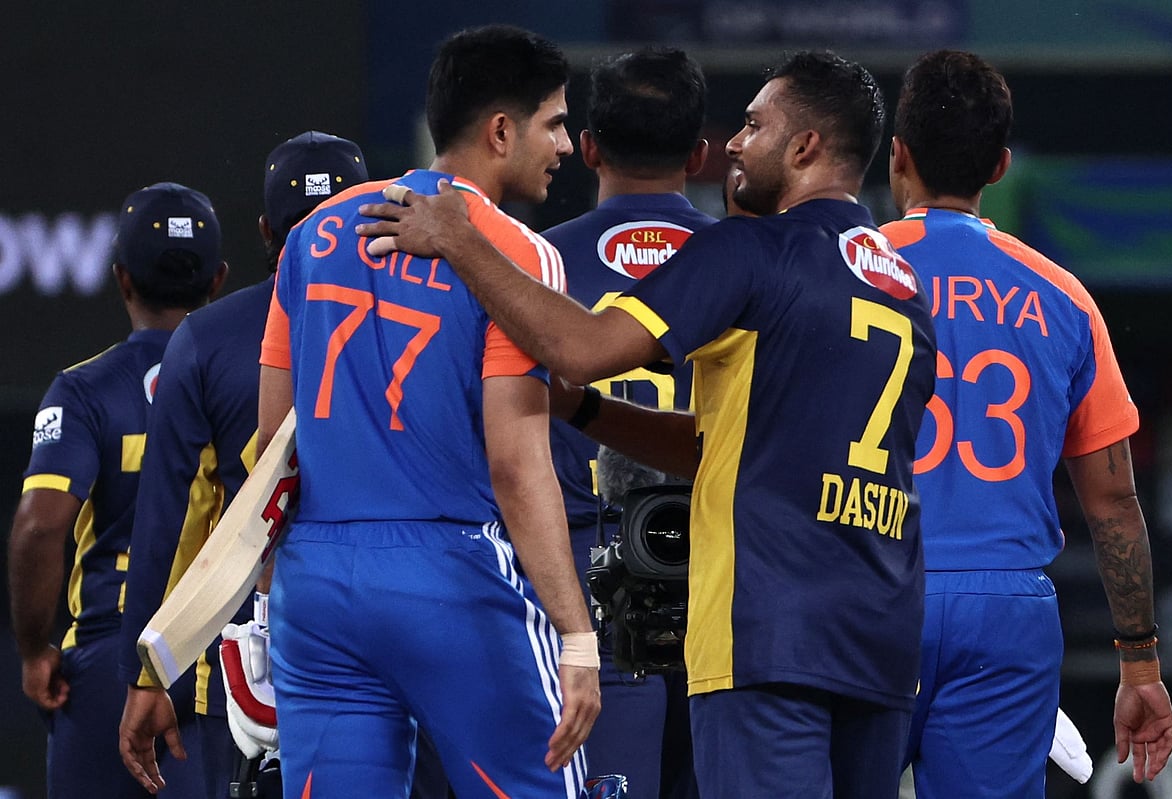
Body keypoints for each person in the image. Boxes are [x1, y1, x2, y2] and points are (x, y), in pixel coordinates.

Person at [358, 50, 938, 799]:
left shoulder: (748, 248)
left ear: (805, 149)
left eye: (756, 126)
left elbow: (577, 347)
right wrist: (586, 411)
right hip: (882, 635)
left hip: (764, 634)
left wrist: (461, 240)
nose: (734, 141)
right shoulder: (901, 286)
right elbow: (727, 445)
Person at [255, 25, 600, 798]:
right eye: (553, 123)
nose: (567, 145)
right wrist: (577, 634)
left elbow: (272, 446)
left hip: (314, 586)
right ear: (501, 131)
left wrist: (272, 594)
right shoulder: (518, 251)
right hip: (449, 576)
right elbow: (517, 463)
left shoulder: (310, 237)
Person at [880, 49, 1172, 796]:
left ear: (898, 156)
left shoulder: (844, 271)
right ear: (1001, 166)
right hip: (1006, 615)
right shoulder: (1065, 297)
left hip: (868, 589)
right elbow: (1113, 502)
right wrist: (1140, 660)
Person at [115, 133, 382, 798]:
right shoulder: (420, 315)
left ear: (265, 229)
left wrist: (147, 673)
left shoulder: (205, 339)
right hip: (397, 636)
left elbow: (174, 524)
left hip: (256, 660)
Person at [8, 182, 229, 798]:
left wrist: (32, 651)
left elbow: (40, 525)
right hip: (216, 663)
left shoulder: (83, 391)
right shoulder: (246, 381)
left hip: (109, 656)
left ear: (121, 279)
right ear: (217, 281)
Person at [540, 47, 711, 799]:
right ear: (701, 153)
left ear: (588, 147)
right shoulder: (754, 261)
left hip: (583, 577)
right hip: (726, 573)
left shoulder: (534, 265)